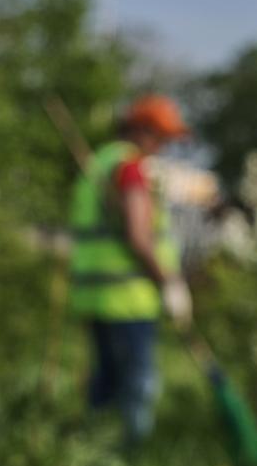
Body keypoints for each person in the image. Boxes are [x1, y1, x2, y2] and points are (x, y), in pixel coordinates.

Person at [67, 95, 194, 443]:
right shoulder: (131, 168)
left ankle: (89, 452)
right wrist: (169, 282)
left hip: (96, 294)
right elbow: (139, 236)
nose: (163, 146)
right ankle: (132, 457)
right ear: (140, 131)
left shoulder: (100, 163)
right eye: (160, 137)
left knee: (106, 377)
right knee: (138, 381)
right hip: (129, 297)